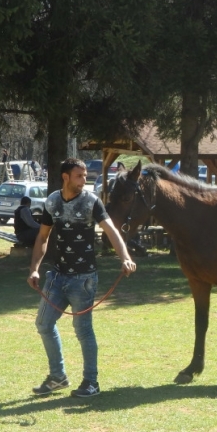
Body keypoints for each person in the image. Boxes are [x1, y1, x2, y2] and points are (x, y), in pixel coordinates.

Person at [27, 158, 136, 398]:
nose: (84, 180)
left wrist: (125, 257)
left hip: (83, 279)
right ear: (65, 177)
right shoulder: (53, 201)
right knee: (44, 324)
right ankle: (58, 377)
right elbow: (43, 238)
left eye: (85, 176)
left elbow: (111, 231)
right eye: (79, 176)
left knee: (83, 330)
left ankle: (91, 382)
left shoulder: (91, 202)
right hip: (56, 276)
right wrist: (35, 268)